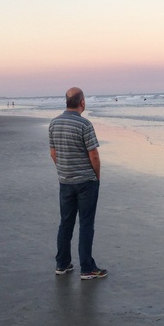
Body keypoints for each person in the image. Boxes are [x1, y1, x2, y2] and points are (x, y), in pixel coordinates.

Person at [48, 87, 107, 280]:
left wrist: (64, 171)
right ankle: (87, 268)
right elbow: (94, 155)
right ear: (82, 102)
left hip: (65, 181)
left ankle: (62, 263)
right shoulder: (84, 124)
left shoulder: (54, 123)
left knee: (66, 223)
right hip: (85, 181)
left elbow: (53, 153)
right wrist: (97, 176)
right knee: (86, 224)